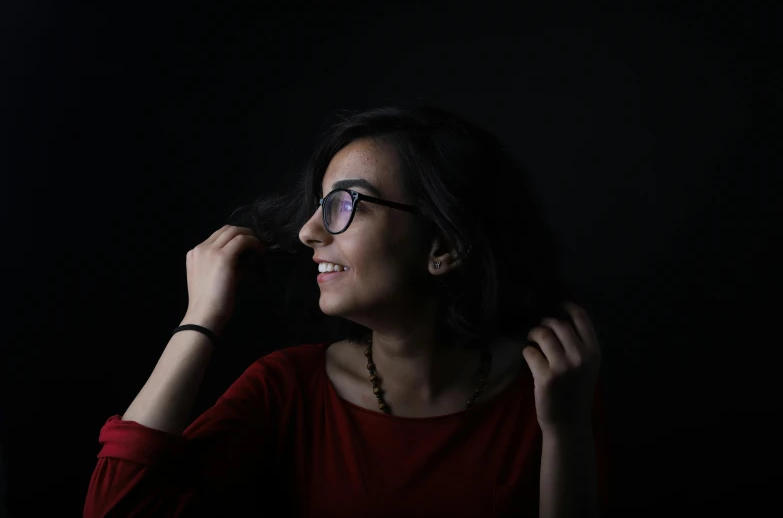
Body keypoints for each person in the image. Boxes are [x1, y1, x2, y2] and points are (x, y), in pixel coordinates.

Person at [84, 106, 610, 517]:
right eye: (318, 205)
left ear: (443, 246)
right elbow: (116, 509)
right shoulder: (288, 389)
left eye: (344, 205)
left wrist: (565, 431)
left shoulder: (550, 389)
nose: (309, 231)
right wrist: (201, 319)